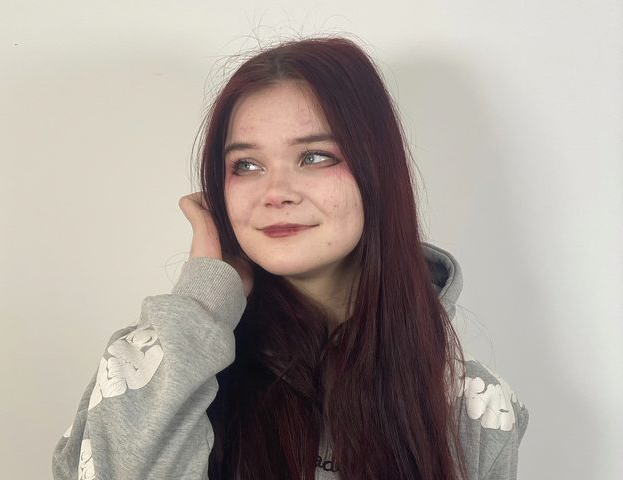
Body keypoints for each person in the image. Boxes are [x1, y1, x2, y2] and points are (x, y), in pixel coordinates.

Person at [52, 36, 529, 480]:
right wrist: (201, 299)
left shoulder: (476, 407)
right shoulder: (157, 367)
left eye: (315, 156)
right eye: (246, 165)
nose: (275, 192)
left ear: (376, 171)